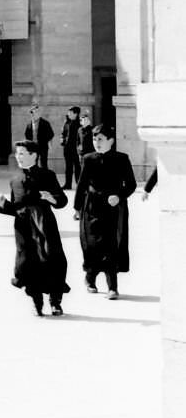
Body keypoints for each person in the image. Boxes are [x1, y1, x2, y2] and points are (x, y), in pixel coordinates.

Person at [0, 140, 70, 316]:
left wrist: (51, 198)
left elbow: (62, 200)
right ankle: (37, 302)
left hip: (45, 224)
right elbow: (16, 208)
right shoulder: (15, 179)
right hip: (23, 228)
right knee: (28, 263)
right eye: (17, 153)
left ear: (34, 155)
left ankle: (55, 302)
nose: (18, 157)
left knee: (52, 260)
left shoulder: (47, 175)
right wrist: (3, 205)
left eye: (22, 153)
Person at [73, 123, 137, 299]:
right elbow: (81, 185)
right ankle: (90, 277)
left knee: (111, 245)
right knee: (91, 244)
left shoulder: (122, 159)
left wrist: (120, 196)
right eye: (94, 138)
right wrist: (77, 208)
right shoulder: (88, 158)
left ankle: (112, 287)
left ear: (111, 141)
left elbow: (131, 185)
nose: (96, 142)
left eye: (100, 139)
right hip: (91, 207)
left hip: (113, 207)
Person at [24, 102, 54, 169]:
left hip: (43, 146)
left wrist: (46, 141)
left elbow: (51, 134)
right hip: (33, 147)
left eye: (35, 112)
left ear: (38, 113)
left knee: (44, 163)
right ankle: (35, 178)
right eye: (32, 113)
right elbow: (27, 135)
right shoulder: (29, 124)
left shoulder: (45, 123)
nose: (33, 114)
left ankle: (44, 178)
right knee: (33, 163)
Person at [60, 105, 81, 189]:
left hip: (76, 149)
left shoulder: (80, 123)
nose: (68, 114)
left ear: (76, 114)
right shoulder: (67, 122)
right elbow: (63, 133)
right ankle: (67, 184)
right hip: (67, 148)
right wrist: (62, 139)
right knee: (68, 167)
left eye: (70, 112)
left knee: (77, 167)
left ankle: (78, 184)